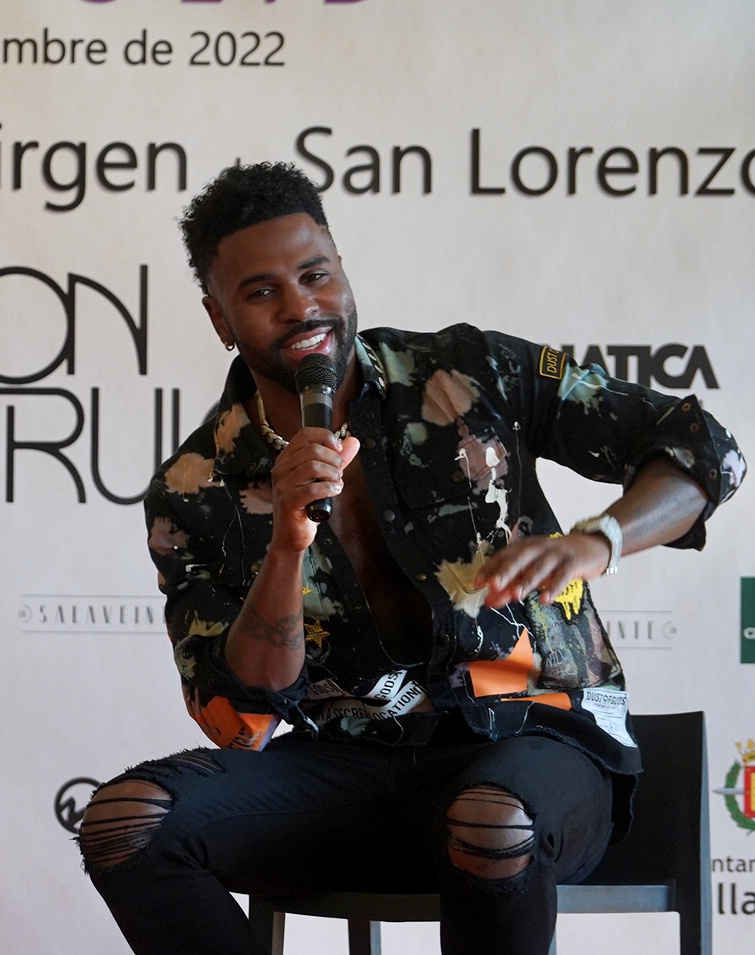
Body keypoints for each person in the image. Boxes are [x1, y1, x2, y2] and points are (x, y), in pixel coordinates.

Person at [79, 161, 743, 955]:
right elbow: (239, 713)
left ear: (341, 268)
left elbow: (700, 447)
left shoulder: (471, 372)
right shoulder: (194, 489)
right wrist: (286, 542)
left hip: (533, 751)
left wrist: (600, 538)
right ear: (220, 318)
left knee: (492, 822)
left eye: (315, 275)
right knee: (126, 824)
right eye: (260, 293)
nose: (301, 306)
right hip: (349, 771)